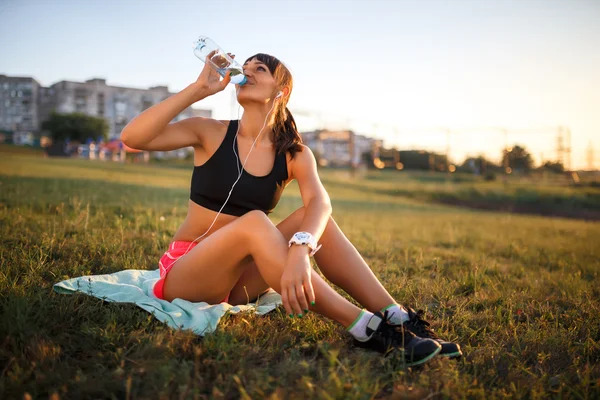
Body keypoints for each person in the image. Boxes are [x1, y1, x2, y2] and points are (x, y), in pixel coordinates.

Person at [121, 53, 462, 366]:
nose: (247, 71)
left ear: (281, 91)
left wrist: (301, 249)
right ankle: (366, 328)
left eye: (260, 69)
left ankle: (397, 317)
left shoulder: (293, 153)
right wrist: (198, 89)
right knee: (256, 221)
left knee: (315, 221)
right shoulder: (209, 131)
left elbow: (320, 203)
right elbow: (133, 138)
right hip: (187, 275)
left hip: (240, 283)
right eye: (247, 66)